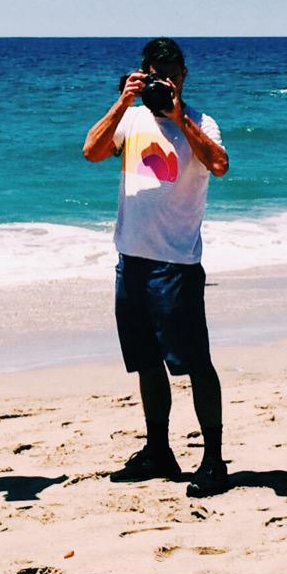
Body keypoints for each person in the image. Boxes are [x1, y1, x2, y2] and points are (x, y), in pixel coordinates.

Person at [82, 37, 231, 497]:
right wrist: (123, 100)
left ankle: (212, 460)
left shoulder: (201, 122)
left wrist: (180, 116)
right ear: (143, 73)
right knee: (147, 363)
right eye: (155, 72)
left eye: (173, 72)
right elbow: (91, 151)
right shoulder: (130, 117)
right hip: (132, 260)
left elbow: (220, 165)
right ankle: (158, 451)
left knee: (196, 364)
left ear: (183, 75)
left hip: (176, 264)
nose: (165, 79)